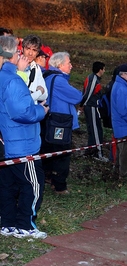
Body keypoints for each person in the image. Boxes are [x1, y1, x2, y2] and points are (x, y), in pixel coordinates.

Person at [0, 35, 49, 239]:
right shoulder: (13, 80)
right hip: (22, 144)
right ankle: (25, 226)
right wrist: (42, 112)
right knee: (34, 184)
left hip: (8, 142)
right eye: (21, 51)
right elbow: (23, 112)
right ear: (14, 54)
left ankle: (8, 223)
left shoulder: (6, 76)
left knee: (8, 185)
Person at [40, 52, 83, 195]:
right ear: (60, 65)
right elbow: (77, 96)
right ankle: (59, 186)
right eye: (68, 63)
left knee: (49, 150)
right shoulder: (58, 80)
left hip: (49, 120)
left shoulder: (47, 76)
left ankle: (48, 178)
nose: (71, 65)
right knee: (62, 153)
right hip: (60, 123)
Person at [110, 64, 127, 179]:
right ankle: (125, 177)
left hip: (121, 126)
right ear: (123, 74)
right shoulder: (121, 89)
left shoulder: (121, 86)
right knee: (126, 154)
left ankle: (117, 174)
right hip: (124, 127)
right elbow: (123, 110)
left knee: (122, 152)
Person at [80, 61, 108, 161]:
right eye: (104, 69)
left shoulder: (95, 79)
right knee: (95, 130)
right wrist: (82, 105)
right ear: (100, 70)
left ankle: (90, 151)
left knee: (95, 129)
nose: (104, 71)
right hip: (91, 107)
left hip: (93, 107)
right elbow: (87, 94)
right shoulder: (93, 79)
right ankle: (98, 154)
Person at [21, 35, 48, 104]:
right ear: (22, 49)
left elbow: (45, 95)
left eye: (34, 50)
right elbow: (20, 98)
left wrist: (32, 93)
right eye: (28, 49)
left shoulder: (36, 68)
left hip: (31, 111)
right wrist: (39, 92)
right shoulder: (15, 66)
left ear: (37, 53)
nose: (30, 53)